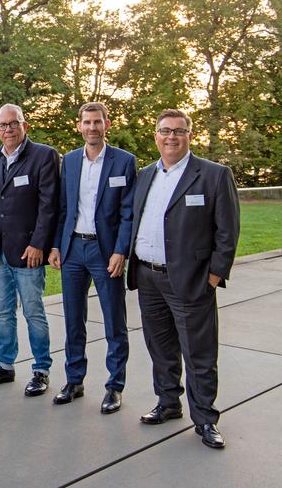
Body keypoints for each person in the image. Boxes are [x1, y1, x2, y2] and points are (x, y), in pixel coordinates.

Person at [127, 109, 239, 449]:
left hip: (191, 280)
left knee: (198, 352)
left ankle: (205, 419)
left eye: (179, 131)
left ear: (190, 135)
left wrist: (215, 274)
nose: (171, 137)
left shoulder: (213, 175)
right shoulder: (145, 174)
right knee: (160, 347)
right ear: (156, 136)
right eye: (165, 131)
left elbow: (227, 230)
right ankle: (168, 403)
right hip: (148, 276)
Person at [48, 102, 136, 413]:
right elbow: (62, 208)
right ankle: (74, 380)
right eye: (87, 122)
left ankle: (114, 386)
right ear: (79, 126)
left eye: (97, 122)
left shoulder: (124, 162)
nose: (92, 128)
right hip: (73, 250)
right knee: (73, 319)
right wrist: (57, 245)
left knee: (114, 320)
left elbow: (128, 213)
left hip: (106, 251)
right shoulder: (70, 161)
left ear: (107, 124)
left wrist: (120, 250)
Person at [0, 104, 59, 396]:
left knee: (34, 312)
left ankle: (41, 369)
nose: (8, 130)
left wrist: (39, 243)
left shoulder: (44, 155)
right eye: (3, 125)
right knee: (3, 312)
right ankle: (5, 366)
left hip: (29, 251)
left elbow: (49, 205)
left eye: (14, 124)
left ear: (25, 125)